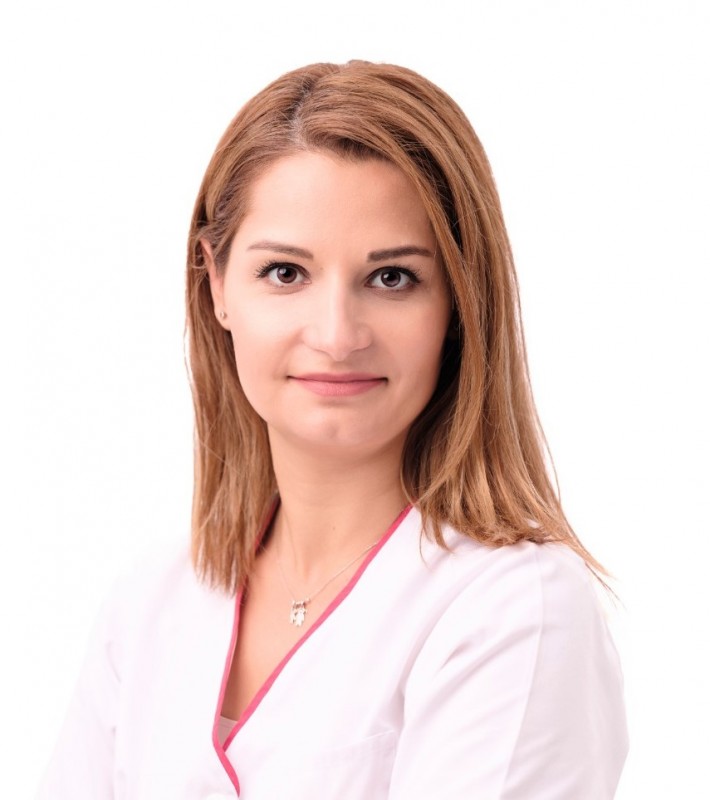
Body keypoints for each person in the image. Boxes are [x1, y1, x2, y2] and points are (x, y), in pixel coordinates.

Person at [38, 60, 628, 799]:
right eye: (286, 273)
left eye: (392, 278)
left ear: (459, 303)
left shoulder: (515, 611)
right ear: (217, 285)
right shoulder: (151, 602)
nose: (337, 335)